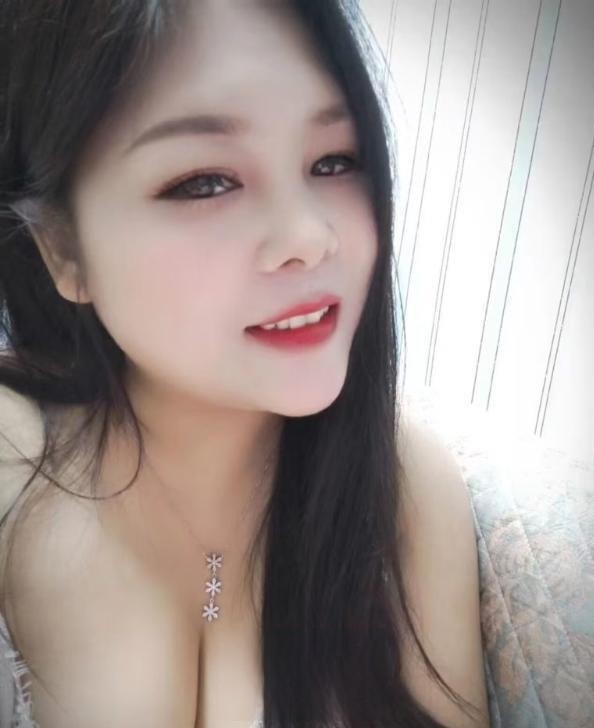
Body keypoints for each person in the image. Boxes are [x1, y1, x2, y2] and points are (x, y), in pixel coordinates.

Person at [0, 0, 491, 726]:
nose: (308, 236)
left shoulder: (406, 492)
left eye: (334, 161)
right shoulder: (13, 462)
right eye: (205, 181)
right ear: (62, 250)